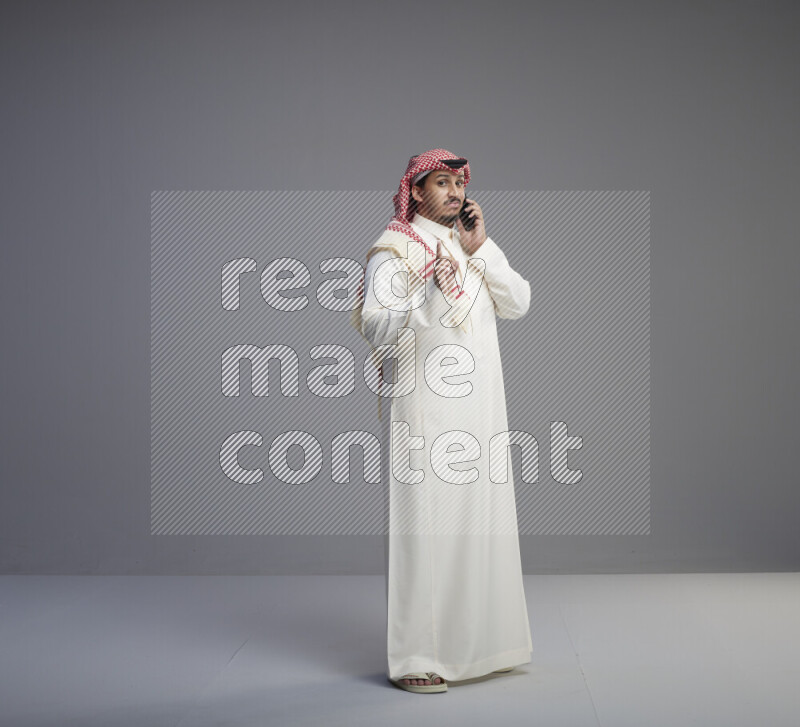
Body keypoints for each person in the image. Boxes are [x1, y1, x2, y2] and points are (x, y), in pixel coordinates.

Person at [350, 149, 533, 693]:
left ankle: (483, 648)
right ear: (416, 190)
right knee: (427, 533)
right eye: (441, 182)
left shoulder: (468, 245)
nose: (454, 192)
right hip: (427, 413)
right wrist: (423, 294)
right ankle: (416, 659)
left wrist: (482, 250)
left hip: (482, 411)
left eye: (459, 182)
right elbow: (377, 325)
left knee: (483, 526)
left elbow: (519, 302)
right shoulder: (395, 250)